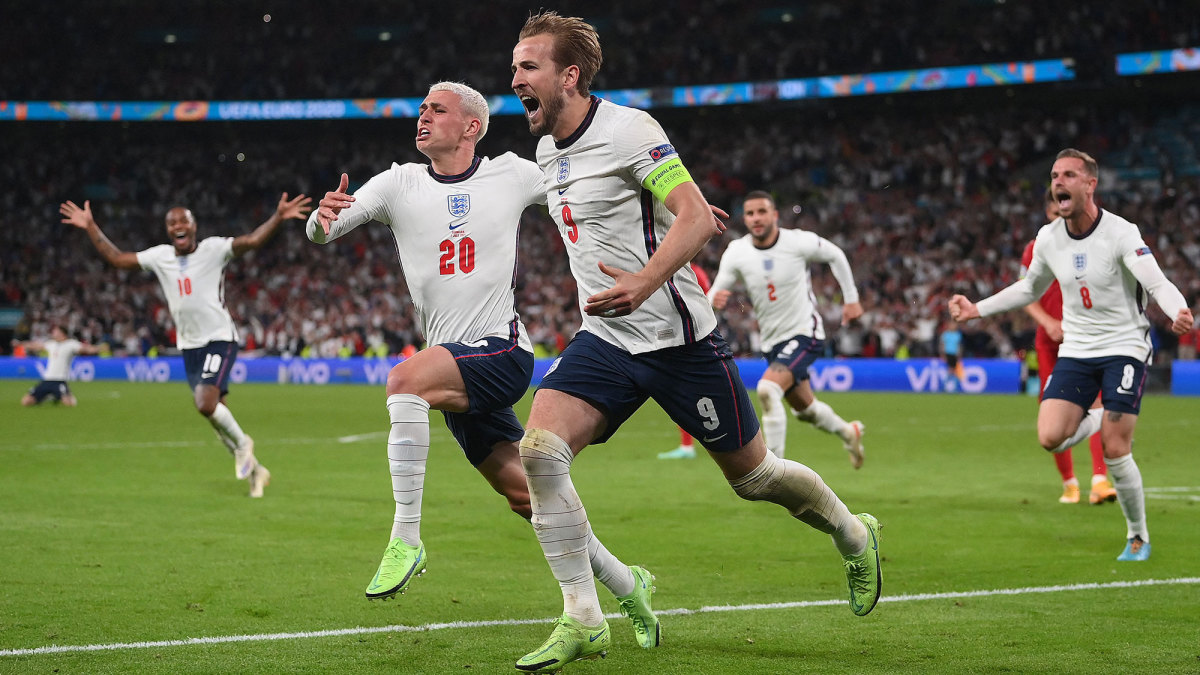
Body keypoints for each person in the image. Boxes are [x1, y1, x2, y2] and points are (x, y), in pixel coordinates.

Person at [510, 12, 881, 673]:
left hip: (680, 340)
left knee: (757, 477)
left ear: (570, 76)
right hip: (607, 338)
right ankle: (585, 615)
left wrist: (648, 279)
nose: (515, 80)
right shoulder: (546, 151)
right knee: (538, 452)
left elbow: (693, 215)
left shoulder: (629, 130)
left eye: (528, 67)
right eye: (514, 67)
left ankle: (855, 535)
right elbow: (652, 216)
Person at [306, 82, 656, 633]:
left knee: (403, 381)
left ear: (471, 127)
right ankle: (628, 585)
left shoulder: (513, 173)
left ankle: (406, 538)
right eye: (420, 107)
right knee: (530, 500)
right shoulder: (398, 183)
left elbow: (581, 189)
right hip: (454, 363)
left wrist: (658, 196)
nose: (422, 116)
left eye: (436, 110)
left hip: (502, 351)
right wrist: (320, 219)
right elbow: (326, 232)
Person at [948, 148, 1193, 562]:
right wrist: (977, 309)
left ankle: (1138, 536)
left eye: (1068, 175)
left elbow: (1158, 283)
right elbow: (1028, 289)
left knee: (1115, 448)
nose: (1058, 181)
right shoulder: (1048, 238)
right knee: (1049, 437)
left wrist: (1179, 310)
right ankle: (1106, 411)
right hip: (1077, 350)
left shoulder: (1120, 233)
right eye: (1054, 175)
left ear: (1090, 184)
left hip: (1124, 347)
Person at [59, 192, 312, 498]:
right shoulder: (160, 256)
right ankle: (257, 472)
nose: (178, 225)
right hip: (190, 346)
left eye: (184, 220)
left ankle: (245, 444)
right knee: (218, 418)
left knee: (205, 404)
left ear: (194, 226)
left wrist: (278, 217)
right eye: (172, 222)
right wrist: (90, 226)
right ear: (168, 230)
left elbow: (252, 241)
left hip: (219, 338)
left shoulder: (214, 249)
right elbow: (117, 259)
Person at [708, 190, 865, 464]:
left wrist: (851, 300)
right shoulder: (737, 252)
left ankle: (773, 470)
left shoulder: (797, 242)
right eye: (750, 213)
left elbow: (835, 255)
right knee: (806, 410)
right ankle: (848, 432)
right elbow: (713, 297)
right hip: (772, 342)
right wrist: (714, 300)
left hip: (805, 332)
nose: (756, 218)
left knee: (768, 389)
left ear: (775, 215)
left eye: (762, 212)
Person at [1022, 188, 1113, 505]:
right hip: (1049, 342)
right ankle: (1070, 483)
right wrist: (1047, 322)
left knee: (1099, 403)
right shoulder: (1035, 249)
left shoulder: (1092, 247)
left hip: (1085, 339)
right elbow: (1025, 294)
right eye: (1053, 213)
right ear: (1048, 214)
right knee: (1053, 413)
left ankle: (1100, 480)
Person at [658, 260, 711, 460]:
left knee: (687, 394)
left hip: (690, 341)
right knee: (680, 394)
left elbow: (706, 302)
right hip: (676, 339)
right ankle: (687, 445)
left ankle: (692, 445)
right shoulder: (671, 269)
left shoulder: (694, 272)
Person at [14, 325, 103, 406]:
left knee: (69, 404)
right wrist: (21, 344)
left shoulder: (71, 344)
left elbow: (86, 349)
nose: (53, 333)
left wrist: (98, 348)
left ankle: (59, 396)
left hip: (60, 380)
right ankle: (48, 396)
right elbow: (37, 346)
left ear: (62, 333)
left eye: (55, 331)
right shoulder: (51, 344)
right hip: (47, 380)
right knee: (25, 402)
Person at [938, 320, 964, 392]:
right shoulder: (946, 334)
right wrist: (942, 355)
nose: (953, 326)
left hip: (955, 354)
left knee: (953, 371)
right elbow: (942, 345)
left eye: (954, 325)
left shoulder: (958, 335)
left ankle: (949, 386)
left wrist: (959, 354)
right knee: (951, 370)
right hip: (948, 353)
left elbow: (959, 346)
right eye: (952, 325)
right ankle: (946, 386)